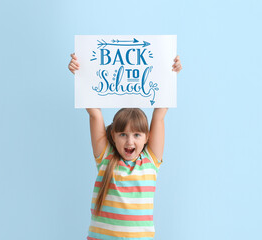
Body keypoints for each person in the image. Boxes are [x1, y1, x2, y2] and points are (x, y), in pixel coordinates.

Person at [68, 53, 182, 240]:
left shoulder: (150, 161)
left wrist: (171, 75)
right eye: (123, 135)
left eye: (137, 135)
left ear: (147, 138)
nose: (130, 141)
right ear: (113, 135)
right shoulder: (106, 157)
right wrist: (79, 74)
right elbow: (94, 114)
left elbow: (160, 115)